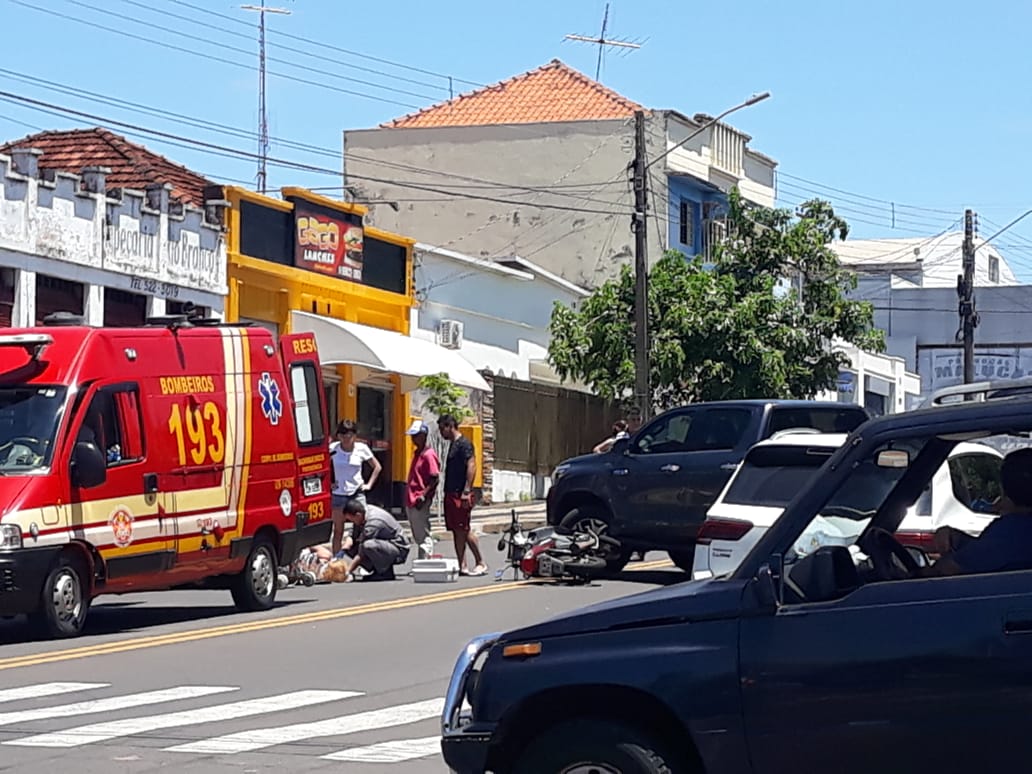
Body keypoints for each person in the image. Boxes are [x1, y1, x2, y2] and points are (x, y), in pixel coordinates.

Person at [919, 447, 1032, 577]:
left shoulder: (1012, 531)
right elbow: (984, 553)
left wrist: (909, 575)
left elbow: (946, 570)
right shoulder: (1015, 533)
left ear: (1008, 491)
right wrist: (958, 539)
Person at [438, 414, 487, 576]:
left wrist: (467, 490)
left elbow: (471, 465)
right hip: (451, 492)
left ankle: (480, 561)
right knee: (456, 530)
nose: (440, 433)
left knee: (463, 529)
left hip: (461, 493)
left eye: (441, 428)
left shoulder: (464, 444)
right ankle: (462, 564)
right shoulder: (453, 444)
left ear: (450, 426)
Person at [329, 420, 382, 555]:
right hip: (339, 493)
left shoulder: (361, 448)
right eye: (343, 436)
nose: (347, 439)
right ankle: (336, 562)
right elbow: (322, 465)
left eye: (350, 436)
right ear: (339, 436)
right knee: (338, 530)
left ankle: (362, 560)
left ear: (355, 436)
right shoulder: (332, 448)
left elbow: (377, 466)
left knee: (362, 527)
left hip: (357, 492)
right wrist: (329, 483)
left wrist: (368, 484)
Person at [339, 498, 410, 581]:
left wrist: (347, 571)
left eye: (352, 520)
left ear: (358, 515)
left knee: (368, 545)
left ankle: (384, 572)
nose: (352, 522)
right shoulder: (363, 513)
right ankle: (376, 569)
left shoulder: (374, 522)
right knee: (350, 547)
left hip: (398, 548)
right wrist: (346, 545)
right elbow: (354, 533)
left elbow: (361, 552)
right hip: (382, 544)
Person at [404, 420, 440, 560]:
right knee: (418, 534)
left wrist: (424, 496)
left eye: (416, 435)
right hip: (412, 498)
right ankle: (422, 561)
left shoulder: (428, 454)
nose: (413, 439)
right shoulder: (418, 453)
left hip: (419, 499)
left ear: (424, 435)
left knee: (423, 534)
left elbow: (434, 478)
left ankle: (425, 561)